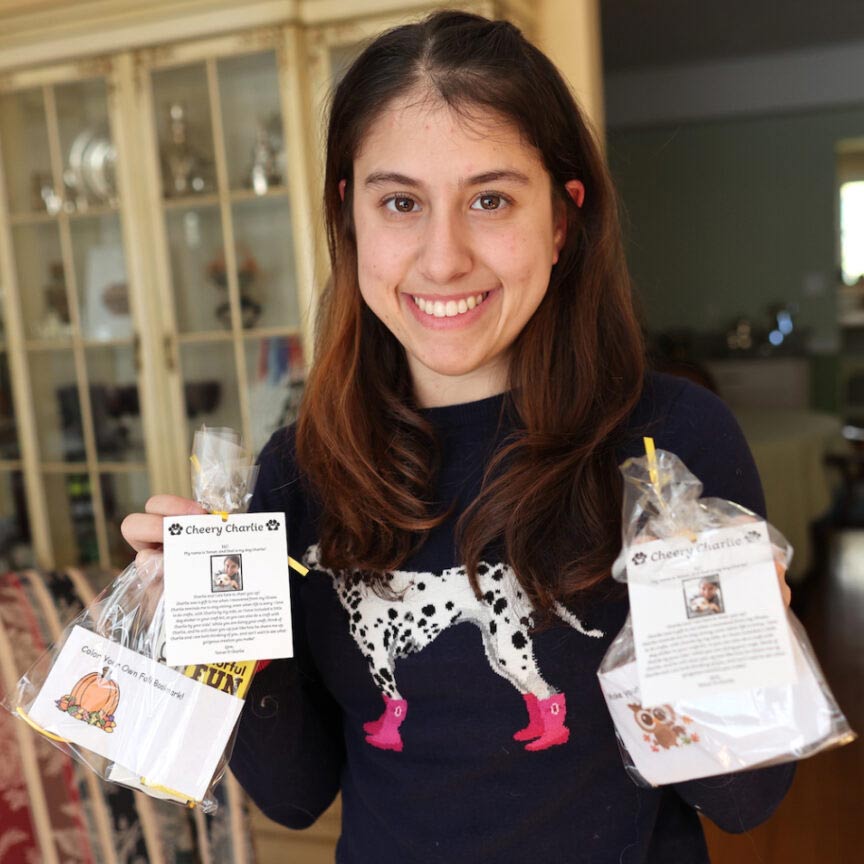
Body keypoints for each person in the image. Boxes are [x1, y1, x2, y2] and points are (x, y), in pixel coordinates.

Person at [122, 11, 794, 862]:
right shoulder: (298, 473)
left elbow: (744, 800)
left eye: (490, 200)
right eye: (401, 203)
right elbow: (295, 797)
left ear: (562, 220)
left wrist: (730, 639)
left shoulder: (671, 449)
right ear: (350, 217)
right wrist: (216, 631)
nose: (443, 259)